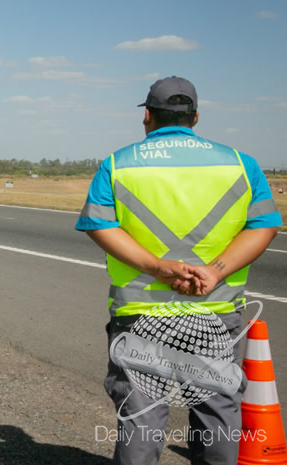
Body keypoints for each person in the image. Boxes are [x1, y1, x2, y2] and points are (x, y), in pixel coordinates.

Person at [75, 76, 281, 464]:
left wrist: (158, 267)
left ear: (147, 116)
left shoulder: (118, 165)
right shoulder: (241, 164)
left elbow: (99, 225)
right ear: (196, 116)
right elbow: (265, 225)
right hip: (215, 311)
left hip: (141, 312)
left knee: (142, 418)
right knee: (217, 412)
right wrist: (216, 271)